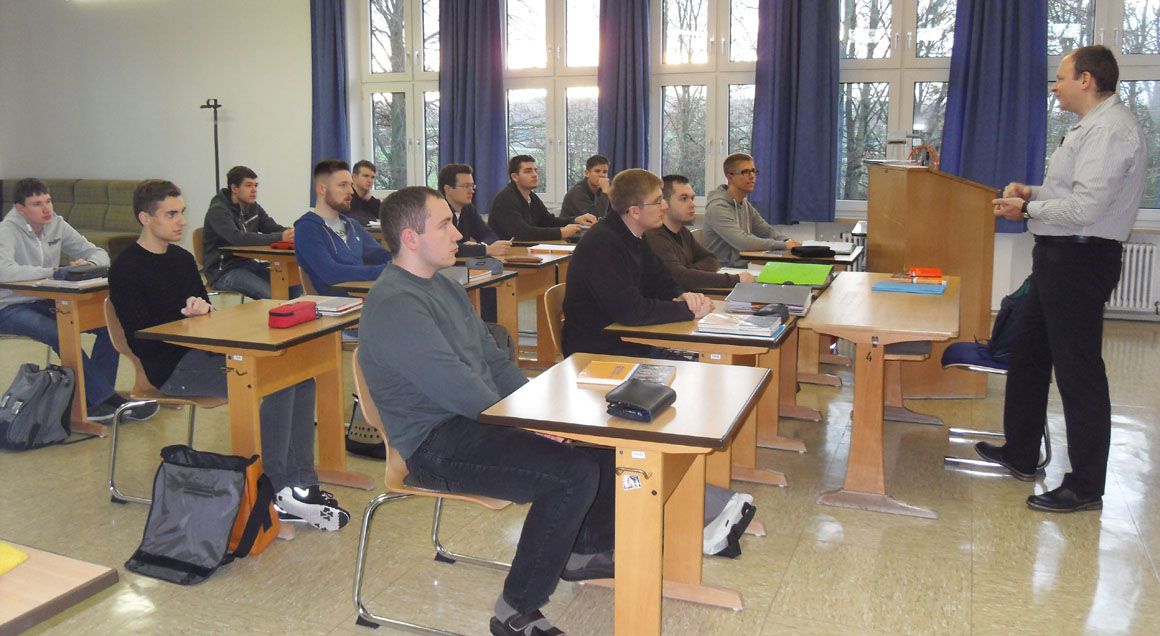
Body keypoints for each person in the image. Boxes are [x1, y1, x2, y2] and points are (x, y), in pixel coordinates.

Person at [360, 186, 615, 636]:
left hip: (471, 421)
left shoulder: (443, 284)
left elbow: (492, 362)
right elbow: (456, 387)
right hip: (433, 443)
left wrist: (543, 412)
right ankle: (515, 610)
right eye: (444, 225)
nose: (458, 234)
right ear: (411, 238)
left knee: (594, 436)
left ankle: (583, 551)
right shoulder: (396, 303)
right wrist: (530, 425)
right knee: (569, 474)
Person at [109, 179, 349, 530]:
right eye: (171, 214)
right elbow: (140, 337)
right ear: (145, 218)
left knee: (298, 377)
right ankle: (275, 490)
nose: (181, 221)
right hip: (170, 368)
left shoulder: (181, 259)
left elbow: (205, 310)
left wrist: (200, 310)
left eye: (182, 212)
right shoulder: (126, 268)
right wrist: (185, 321)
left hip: (207, 352)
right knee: (277, 385)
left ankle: (302, 482)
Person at [980, 45, 1146, 513]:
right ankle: (1020, 451)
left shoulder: (1110, 131)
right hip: (1059, 256)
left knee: (1078, 373)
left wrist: (1027, 209)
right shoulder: (1089, 127)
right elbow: (1070, 194)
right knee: (1028, 353)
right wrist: (1031, 194)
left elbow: (1086, 208)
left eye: (1060, 78)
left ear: (1086, 80)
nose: (1054, 87)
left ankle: (1086, 486)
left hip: (1080, 259)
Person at [563, 168, 756, 556]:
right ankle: (690, 504)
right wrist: (685, 311)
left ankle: (697, 501)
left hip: (624, 342)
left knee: (698, 377)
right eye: (658, 202)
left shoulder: (635, 237)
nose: (664, 207)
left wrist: (686, 298)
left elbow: (662, 284)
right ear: (634, 210)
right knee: (686, 385)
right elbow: (631, 311)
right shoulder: (604, 244)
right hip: (598, 354)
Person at [0, 178, 156, 423]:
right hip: (10, 307)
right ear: (21, 209)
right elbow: (4, 271)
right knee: (59, 332)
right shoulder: (7, 230)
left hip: (48, 299)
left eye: (48, 201)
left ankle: (95, 401)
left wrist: (89, 264)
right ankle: (105, 399)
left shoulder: (56, 224)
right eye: (37, 204)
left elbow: (99, 253)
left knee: (109, 326)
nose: (46, 209)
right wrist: (54, 272)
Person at [294, 160, 392, 296]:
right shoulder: (307, 228)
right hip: (338, 304)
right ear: (322, 189)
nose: (351, 191)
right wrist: (388, 270)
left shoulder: (352, 225)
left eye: (351, 185)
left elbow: (379, 254)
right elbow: (331, 272)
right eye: (342, 185)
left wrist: (406, 261)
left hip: (365, 297)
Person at [645, 174, 756, 290]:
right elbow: (679, 278)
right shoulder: (654, 237)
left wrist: (689, 271)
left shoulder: (682, 232)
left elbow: (711, 259)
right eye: (684, 199)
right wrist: (735, 280)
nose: (692, 204)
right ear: (664, 203)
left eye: (692, 198)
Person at [201, 165, 296, 300]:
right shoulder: (218, 210)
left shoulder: (253, 207)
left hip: (248, 265)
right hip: (224, 271)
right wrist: (280, 236)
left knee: (293, 284)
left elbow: (271, 227)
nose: (254, 190)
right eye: (248, 185)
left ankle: (285, 312)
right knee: (272, 295)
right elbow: (238, 239)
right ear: (234, 188)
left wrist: (292, 233)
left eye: (255, 185)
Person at [703, 153, 799, 267]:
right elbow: (742, 242)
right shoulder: (717, 207)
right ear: (730, 177)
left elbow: (766, 231)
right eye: (745, 172)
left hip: (740, 270)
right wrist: (784, 245)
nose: (752, 176)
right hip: (720, 271)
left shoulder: (744, 204)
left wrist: (788, 241)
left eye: (753, 171)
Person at [488, 155, 591, 241]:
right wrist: (560, 233)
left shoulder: (532, 197)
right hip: (505, 253)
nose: (535, 175)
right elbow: (522, 233)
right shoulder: (505, 199)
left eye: (535, 170)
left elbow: (548, 221)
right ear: (515, 177)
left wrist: (575, 220)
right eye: (528, 171)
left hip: (523, 249)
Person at [438, 163, 511, 258]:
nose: (472, 191)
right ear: (448, 189)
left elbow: (489, 234)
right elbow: (446, 247)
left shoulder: (468, 209)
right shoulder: (438, 212)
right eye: (466, 186)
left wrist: (481, 245)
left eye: (472, 186)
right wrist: (485, 250)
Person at [559, 154, 611, 223]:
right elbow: (594, 218)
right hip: (570, 228)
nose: (602, 175)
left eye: (605, 172)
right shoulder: (577, 192)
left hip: (588, 228)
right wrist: (605, 192)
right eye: (597, 171)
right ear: (587, 173)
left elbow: (613, 213)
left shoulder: (602, 189)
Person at [347, 159, 381, 226]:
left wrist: (371, 200)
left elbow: (386, 216)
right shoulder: (346, 198)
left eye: (372, 177)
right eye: (366, 176)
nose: (370, 181)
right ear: (354, 177)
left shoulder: (371, 200)